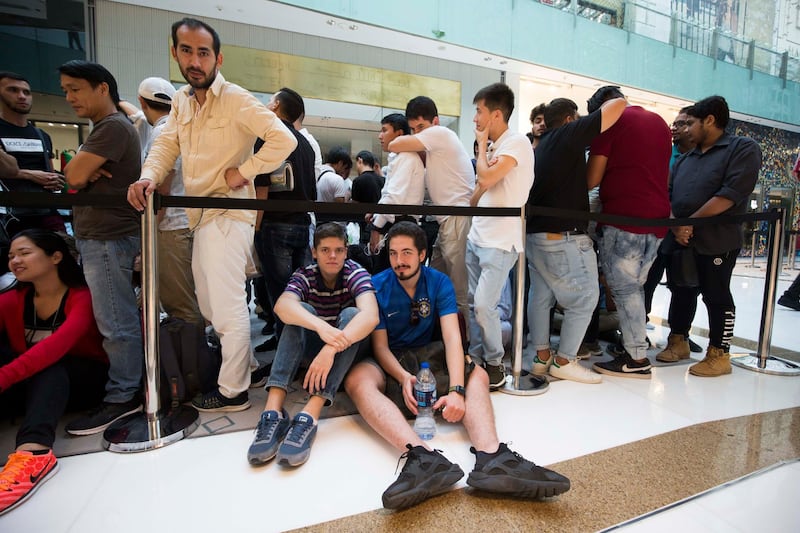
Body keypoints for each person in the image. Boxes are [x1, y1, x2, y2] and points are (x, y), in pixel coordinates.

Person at [128, 17, 297, 411]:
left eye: (203, 52)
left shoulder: (235, 97)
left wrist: (246, 171)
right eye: (186, 51)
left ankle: (233, 390)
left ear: (217, 57)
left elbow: (283, 138)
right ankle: (251, 366)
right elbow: (165, 148)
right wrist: (148, 177)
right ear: (175, 54)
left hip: (229, 214)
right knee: (209, 305)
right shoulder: (182, 103)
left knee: (225, 308)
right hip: (199, 217)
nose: (195, 60)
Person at [344, 222, 570, 510]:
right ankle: (424, 459)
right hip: (394, 357)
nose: (399, 261)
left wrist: (457, 391)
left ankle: (492, 458)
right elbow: (380, 347)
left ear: (423, 254)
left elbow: (452, 338)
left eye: (407, 253)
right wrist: (402, 377)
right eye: (393, 253)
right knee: (356, 379)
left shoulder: (438, 281)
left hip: (428, 352)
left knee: (475, 370)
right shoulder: (377, 285)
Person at [59, 60, 145, 434]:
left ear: (102, 89)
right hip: (102, 236)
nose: (69, 97)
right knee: (115, 318)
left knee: (116, 322)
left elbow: (73, 175)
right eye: (65, 90)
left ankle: (123, 397)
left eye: (75, 88)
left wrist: (80, 171)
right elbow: (75, 174)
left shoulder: (111, 127)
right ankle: (123, 390)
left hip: (109, 237)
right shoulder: (109, 127)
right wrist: (78, 172)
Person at [247, 223, 378, 467]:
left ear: (346, 252)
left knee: (352, 315)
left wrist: (331, 348)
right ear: (314, 251)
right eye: (326, 250)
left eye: (339, 250)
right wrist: (322, 328)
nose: (332, 256)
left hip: (347, 357)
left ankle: (310, 413)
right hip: (316, 353)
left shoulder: (355, 272)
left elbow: (371, 315)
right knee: (299, 311)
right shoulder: (305, 274)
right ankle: (273, 410)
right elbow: (282, 307)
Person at [0, 230, 108, 515]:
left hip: (83, 383)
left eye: (24, 253)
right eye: (11, 255)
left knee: (49, 364)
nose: (15, 261)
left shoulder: (81, 297)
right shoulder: (11, 300)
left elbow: (55, 349)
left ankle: (34, 453)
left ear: (56, 257)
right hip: (34, 384)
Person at [525, 96, 626, 384]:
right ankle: (565, 359)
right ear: (570, 118)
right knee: (585, 298)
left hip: (537, 236)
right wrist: (591, 118)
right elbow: (618, 104)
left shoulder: (543, 147)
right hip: (564, 237)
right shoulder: (567, 134)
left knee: (541, 296)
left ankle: (541, 356)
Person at [662, 95, 761, 376]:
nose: (685, 130)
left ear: (709, 120)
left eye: (690, 123)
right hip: (681, 237)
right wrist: (676, 226)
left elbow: (730, 194)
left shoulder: (742, 149)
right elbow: (668, 195)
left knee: (715, 294)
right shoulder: (685, 158)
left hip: (718, 239)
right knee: (680, 290)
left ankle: (719, 353)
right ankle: (677, 340)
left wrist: (689, 223)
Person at [586, 86, 672, 380]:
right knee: (635, 288)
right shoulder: (659, 122)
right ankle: (634, 347)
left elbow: (592, 178)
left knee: (624, 290)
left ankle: (636, 359)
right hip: (657, 220)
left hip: (624, 218)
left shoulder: (610, 123)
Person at [467, 83, 534, 389]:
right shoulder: (495, 148)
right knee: (473, 304)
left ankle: (495, 362)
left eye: (478, 111)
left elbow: (487, 177)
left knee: (484, 305)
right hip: (477, 236)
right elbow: (477, 193)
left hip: (500, 242)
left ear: (495, 114)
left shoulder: (516, 142)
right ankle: (475, 358)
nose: (475, 118)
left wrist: (481, 148)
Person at [389, 96, 474, 320]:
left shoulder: (441, 134)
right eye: (413, 128)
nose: (417, 133)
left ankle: (465, 345)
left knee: (458, 288)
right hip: (448, 221)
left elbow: (394, 144)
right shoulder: (436, 146)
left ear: (435, 121)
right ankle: (445, 336)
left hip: (457, 218)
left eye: (421, 127)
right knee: (435, 279)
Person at [132, 76, 203, 326]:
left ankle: (191, 362)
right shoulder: (183, 129)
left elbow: (162, 186)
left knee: (180, 304)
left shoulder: (162, 133)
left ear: (142, 101)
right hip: (190, 223)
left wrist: (147, 235)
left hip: (170, 227)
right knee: (191, 299)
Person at [254, 87, 317, 348]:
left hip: (275, 224)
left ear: (277, 104)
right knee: (299, 293)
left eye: (270, 100)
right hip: (302, 224)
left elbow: (262, 187)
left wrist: (255, 228)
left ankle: (286, 353)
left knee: (281, 296)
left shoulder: (270, 136)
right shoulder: (305, 143)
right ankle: (298, 349)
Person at [0, 72, 66, 242]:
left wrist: (55, 179)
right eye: (13, 90)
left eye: (26, 92)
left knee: (61, 256)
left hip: (46, 212)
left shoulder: (41, 135)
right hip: (9, 216)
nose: (22, 96)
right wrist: (31, 175)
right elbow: (8, 169)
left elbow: (49, 173)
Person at [367, 113, 425, 272]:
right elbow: (387, 194)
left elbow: (393, 197)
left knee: (390, 277)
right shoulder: (400, 157)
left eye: (384, 130)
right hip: (397, 224)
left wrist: (376, 228)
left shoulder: (407, 157)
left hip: (402, 226)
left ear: (399, 134)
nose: (380, 136)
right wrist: (376, 214)